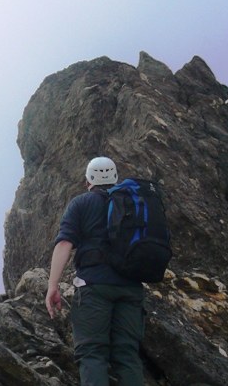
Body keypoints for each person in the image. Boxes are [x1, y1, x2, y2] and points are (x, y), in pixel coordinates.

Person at [45, 157, 145, 386]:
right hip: (131, 288)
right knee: (127, 355)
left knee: (92, 353)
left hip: (94, 287)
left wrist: (53, 286)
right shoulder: (134, 201)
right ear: (115, 177)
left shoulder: (81, 203)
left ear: (88, 180)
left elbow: (64, 244)